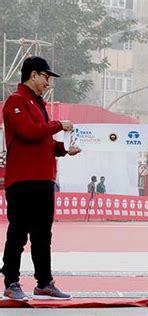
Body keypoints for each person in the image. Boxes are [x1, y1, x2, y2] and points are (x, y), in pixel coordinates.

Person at [1, 56, 81, 301]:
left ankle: (44, 283)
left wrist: (63, 149)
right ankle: (11, 281)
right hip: (23, 178)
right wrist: (58, 125)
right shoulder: (16, 102)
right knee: (19, 232)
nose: (48, 82)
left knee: (42, 234)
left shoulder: (39, 104)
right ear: (33, 75)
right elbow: (28, 132)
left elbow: (42, 140)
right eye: (46, 77)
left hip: (44, 177)